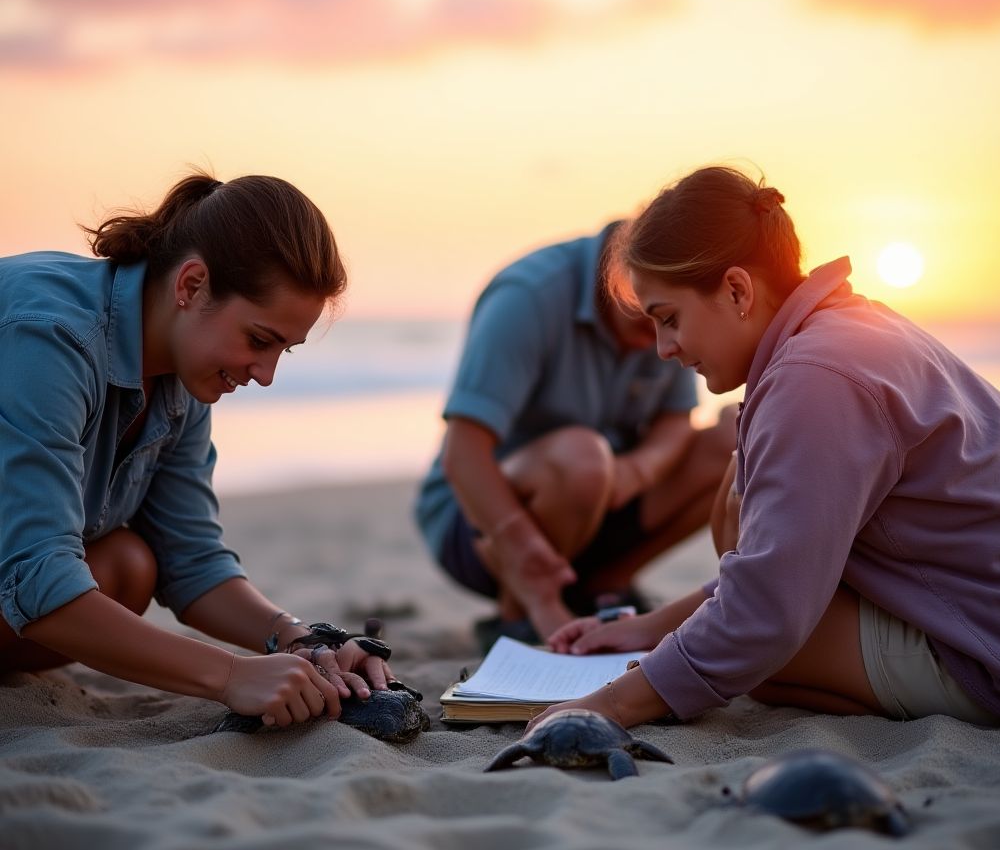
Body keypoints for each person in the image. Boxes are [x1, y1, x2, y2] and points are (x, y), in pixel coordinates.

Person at [540, 165, 1000, 729]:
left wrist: (611, 704)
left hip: (993, 649)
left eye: (669, 320)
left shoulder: (814, 377)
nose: (663, 349)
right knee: (737, 611)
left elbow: (765, 610)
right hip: (994, 613)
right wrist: (652, 626)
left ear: (738, 288)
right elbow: (793, 558)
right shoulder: (848, 328)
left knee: (749, 641)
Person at [0, 170, 394, 728]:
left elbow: (191, 561)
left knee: (129, 567)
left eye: (284, 349)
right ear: (190, 285)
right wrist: (231, 676)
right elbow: (33, 574)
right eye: (259, 340)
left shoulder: (183, 376)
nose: (265, 374)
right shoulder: (51, 337)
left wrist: (302, 641)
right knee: (87, 579)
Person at [414, 221, 736, 650]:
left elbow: (676, 420)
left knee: (739, 432)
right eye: (653, 321)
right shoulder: (527, 297)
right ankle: (518, 613)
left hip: (601, 506)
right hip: (482, 523)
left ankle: (604, 589)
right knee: (582, 459)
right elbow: (463, 453)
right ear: (620, 281)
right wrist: (520, 544)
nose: (663, 346)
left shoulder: (664, 292)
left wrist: (635, 472)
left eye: (671, 321)